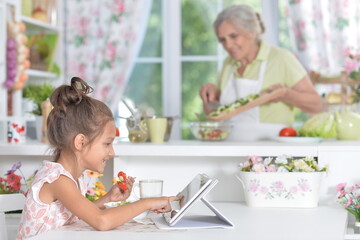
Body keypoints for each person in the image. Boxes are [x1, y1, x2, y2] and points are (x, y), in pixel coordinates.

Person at [17, 77, 181, 239]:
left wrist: (108, 198)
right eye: (107, 144)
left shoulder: (70, 178)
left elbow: (78, 215)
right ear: (81, 142)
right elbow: (101, 221)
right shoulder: (57, 180)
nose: (112, 153)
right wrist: (149, 202)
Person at [199, 5, 323, 140]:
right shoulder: (228, 64)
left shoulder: (281, 58)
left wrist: (286, 94)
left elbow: (317, 105)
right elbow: (212, 116)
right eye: (222, 40)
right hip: (230, 147)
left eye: (233, 36)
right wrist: (209, 98)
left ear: (251, 32)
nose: (228, 45)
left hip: (272, 148)